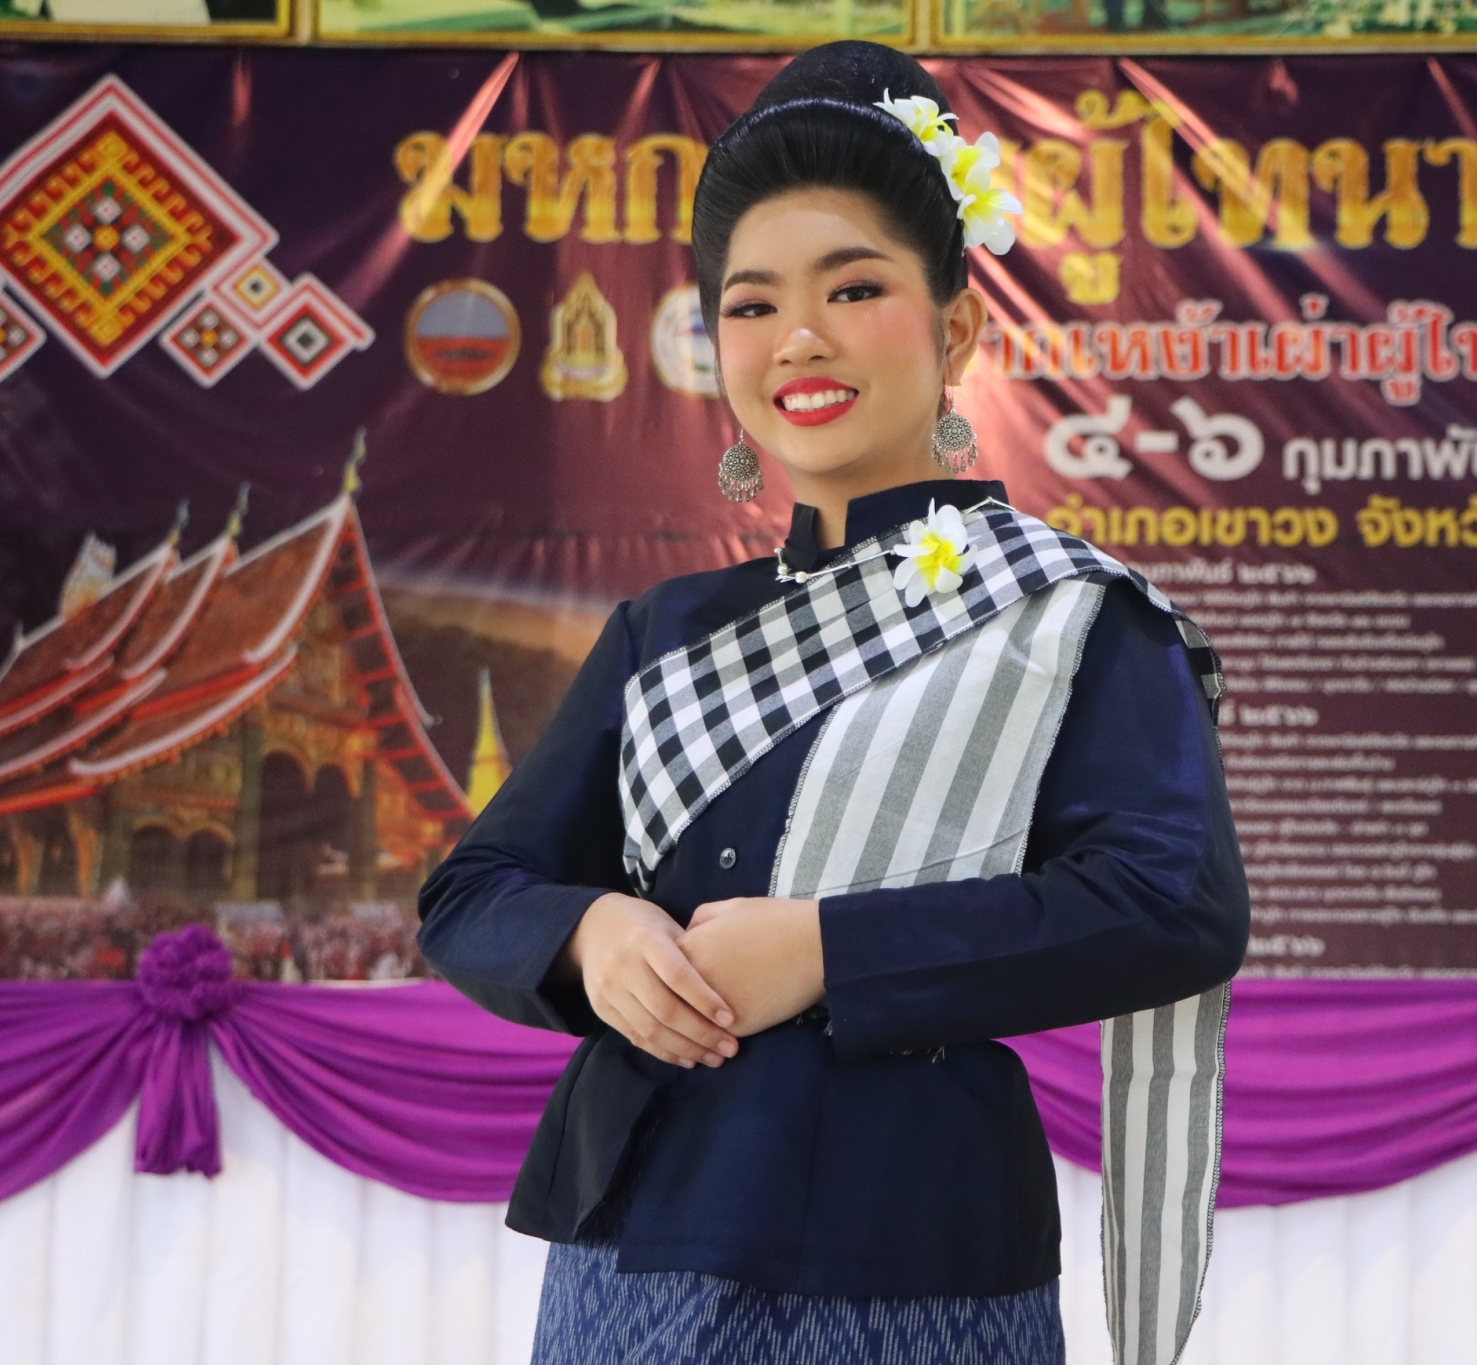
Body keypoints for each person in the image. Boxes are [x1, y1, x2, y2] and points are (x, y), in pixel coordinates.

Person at [417, 41, 1250, 1365]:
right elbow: (474, 892)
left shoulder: (1068, 613)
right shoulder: (664, 631)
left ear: (957, 328)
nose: (798, 338)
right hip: (634, 1235)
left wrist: (825, 950)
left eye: (854, 288)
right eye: (752, 304)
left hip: (914, 1246)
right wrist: (591, 933)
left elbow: (1171, 906)